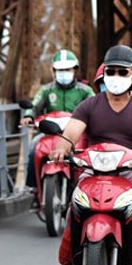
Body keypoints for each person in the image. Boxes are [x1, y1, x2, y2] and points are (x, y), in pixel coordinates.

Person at [51, 45, 132, 265]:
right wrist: (61, 148)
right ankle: (70, 262)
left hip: (131, 171)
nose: (116, 77)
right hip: (94, 171)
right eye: (111, 71)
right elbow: (69, 134)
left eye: (122, 72)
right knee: (74, 205)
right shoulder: (89, 106)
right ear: (103, 73)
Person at [22, 49, 93, 192]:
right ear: (53, 71)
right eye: (60, 70)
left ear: (74, 70)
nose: (64, 73)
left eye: (67, 70)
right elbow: (34, 106)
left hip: (76, 135)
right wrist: (29, 116)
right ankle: (34, 185)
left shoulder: (85, 91)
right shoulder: (46, 90)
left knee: (90, 152)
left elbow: (95, 107)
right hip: (50, 133)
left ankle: (90, 184)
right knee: (34, 147)